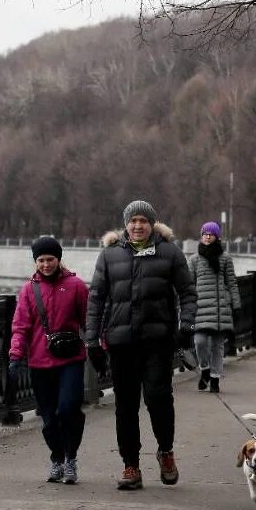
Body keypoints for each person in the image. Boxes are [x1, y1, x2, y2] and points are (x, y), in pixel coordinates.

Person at [84, 200, 198, 490]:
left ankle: (166, 451)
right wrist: (92, 341)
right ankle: (130, 465)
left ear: (152, 223)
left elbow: (187, 292)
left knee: (159, 398)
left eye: (143, 221)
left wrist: (187, 327)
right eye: (132, 221)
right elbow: (95, 299)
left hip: (158, 341)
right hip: (121, 343)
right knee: (125, 406)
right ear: (125, 224)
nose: (137, 226)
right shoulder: (109, 256)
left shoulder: (169, 253)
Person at [9, 235, 90, 484]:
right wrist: (15, 355)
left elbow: (89, 321)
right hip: (39, 362)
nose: (46, 265)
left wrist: (99, 347)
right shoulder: (28, 290)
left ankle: (71, 458)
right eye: (41, 260)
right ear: (36, 262)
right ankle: (57, 458)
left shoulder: (76, 286)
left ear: (59, 259)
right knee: (48, 418)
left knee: (68, 409)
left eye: (50, 259)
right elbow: (20, 326)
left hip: (71, 359)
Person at [188, 221, 240, 394]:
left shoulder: (225, 259)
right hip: (200, 309)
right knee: (199, 341)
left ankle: (215, 378)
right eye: (204, 233)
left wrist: (235, 304)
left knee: (218, 346)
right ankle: (204, 369)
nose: (207, 236)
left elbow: (231, 282)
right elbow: (189, 285)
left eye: (210, 234)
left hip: (220, 309)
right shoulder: (194, 260)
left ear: (217, 237)